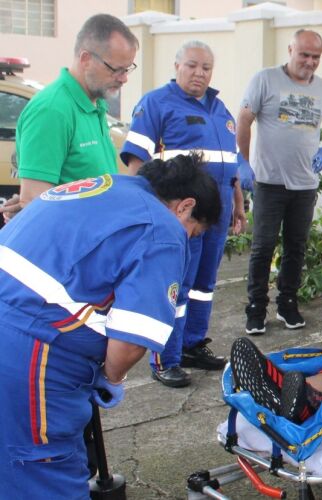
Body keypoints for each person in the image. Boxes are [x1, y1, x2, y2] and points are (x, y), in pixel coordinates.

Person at [0, 154, 221, 499]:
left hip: (14, 315)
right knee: (42, 469)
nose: (189, 240)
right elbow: (130, 342)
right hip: (25, 347)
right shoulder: (161, 228)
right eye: (195, 231)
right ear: (184, 207)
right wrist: (112, 377)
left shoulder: (105, 187)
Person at [120, 41, 245, 388]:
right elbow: (136, 164)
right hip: (180, 217)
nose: (199, 73)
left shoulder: (221, 110)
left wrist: (238, 205)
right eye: (192, 65)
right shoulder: (156, 104)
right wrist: (143, 214)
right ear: (177, 66)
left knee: (204, 286)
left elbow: (230, 167)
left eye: (206, 67)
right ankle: (166, 357)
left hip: (215, 215)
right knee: (177, 286)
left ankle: (192, 344)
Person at [238, 29, 322, 335]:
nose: (310, 62)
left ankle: (288, 304)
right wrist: (243, 160)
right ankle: (256, 308)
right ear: (290, 50)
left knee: (295, 248)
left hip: (305, 185)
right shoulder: (266, 80)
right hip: (269, 183)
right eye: (304, 54)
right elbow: (245, 118)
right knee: (262, 247)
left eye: (316, 57)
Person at [1, 13, 139, 222]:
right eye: (116, 69)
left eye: (128, 69)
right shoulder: (52, 110)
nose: (124, 78)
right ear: (85, 59)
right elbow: (36, 207)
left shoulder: (95, 104)